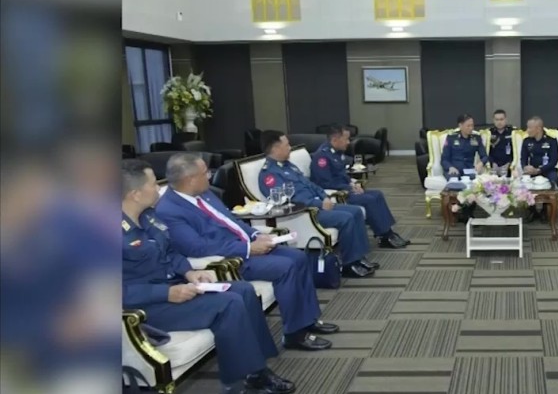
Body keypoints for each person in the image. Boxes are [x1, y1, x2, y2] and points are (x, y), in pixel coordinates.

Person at [121, 159, 295, 394]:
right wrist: (166, 293)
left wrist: (189, 271)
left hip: (174, 286)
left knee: (243, 290)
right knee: (229, 304)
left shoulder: (148, 216)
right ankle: (239, 383)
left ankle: (257, 369)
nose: (159, 188)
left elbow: (170, 252)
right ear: (135, 194)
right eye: (153, 184)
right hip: (145, 307)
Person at [155, 153, 339, 352]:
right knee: (286, 267)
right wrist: (248, 249)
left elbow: (232, 221)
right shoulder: (168, 210)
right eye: (205, 173)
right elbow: (197, 247)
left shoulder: (204, 193)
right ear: (190, 179)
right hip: (230, 258)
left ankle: (307, 320)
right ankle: (295, 334)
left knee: (299, 257)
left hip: (246, 245)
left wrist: (256, 235)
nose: (209, 176)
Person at [257, 130, 378, 278]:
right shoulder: (269, 174)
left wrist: (324, 197)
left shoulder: (288, 166)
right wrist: (319, 204)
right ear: (276, 148)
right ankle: (349, 264)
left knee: (356, 211)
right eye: (287, 145)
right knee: (346, 218)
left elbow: (311, 185)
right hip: (306, 213)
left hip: (319, 204)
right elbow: (289, 200)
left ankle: (358, 258)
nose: (290, 148)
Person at [310, 124, 409, 249]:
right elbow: (324, 183)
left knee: (377, 194)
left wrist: (353, 182)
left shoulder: (336, 153)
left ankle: (388, 232)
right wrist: (349, 188)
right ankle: (384, 235)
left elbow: (341, 174)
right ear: (335, 140)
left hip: (345, 188)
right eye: (346, 139)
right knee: (369, 200)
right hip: (337, 194)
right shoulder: (322, 157)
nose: (348, 142)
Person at [488, 109, 514, 173]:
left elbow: (517, 152)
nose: (499, 122)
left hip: (509, 167)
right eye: (497, 120)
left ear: (506, 119)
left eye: (501, 119)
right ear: (493, 120)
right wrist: (492, 163)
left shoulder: (513, 132)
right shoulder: (489, 133)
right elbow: (486, 151)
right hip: (493, 167)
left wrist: (509, 164)